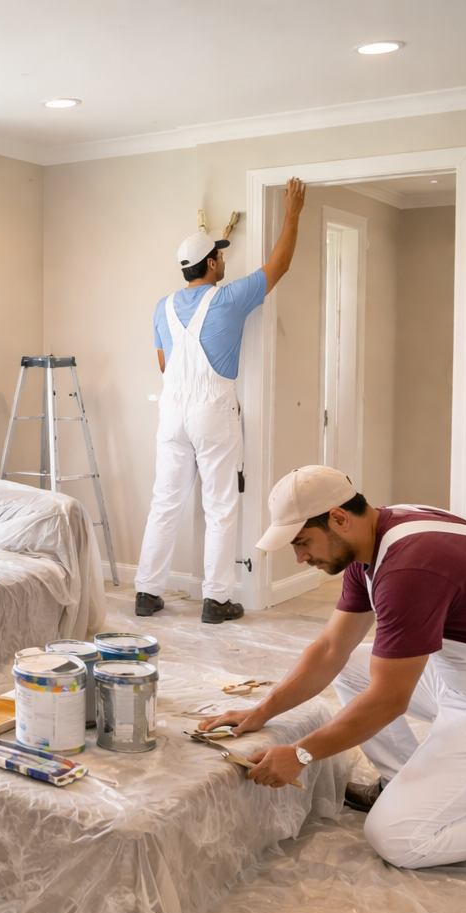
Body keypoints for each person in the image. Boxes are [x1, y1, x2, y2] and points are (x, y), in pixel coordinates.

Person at [199, 465, 466, 873]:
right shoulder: (376, 539)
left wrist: (301, 754)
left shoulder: (409, 567)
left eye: (304, 541)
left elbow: (388, 700)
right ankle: (400, 783)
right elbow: (329, 650)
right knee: (354, 666)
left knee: (399, 837)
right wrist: (262, 711)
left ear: (339, 519)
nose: (300, 556)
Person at [133, 178, 307, 624]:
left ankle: (147, 592)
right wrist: (293, 213)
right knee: (221, 505)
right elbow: (279, 265)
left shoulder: (162, 307)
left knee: (165, 502)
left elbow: (162, 363)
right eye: (221, 255)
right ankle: (215, 600)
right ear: (210, 264)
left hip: (171, 411)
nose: (224, 260)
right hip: (212, 411)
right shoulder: (229, 298)